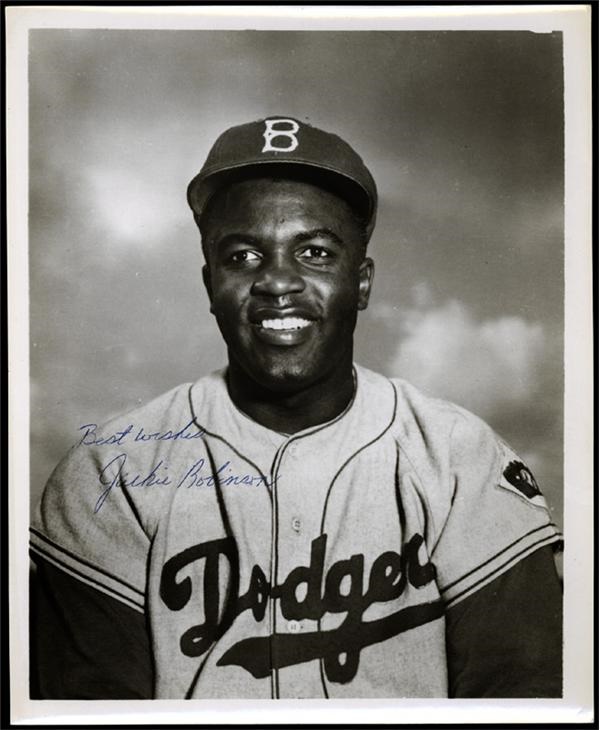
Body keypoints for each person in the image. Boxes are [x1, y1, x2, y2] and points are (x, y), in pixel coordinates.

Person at [30, 117, 562, 700]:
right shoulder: (112, 471)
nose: (277, 281)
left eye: (313, 252)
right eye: (243, 255)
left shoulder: (460, 457)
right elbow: (86, 710)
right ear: (211, 284)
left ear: (361, 283)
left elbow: (520, 692)